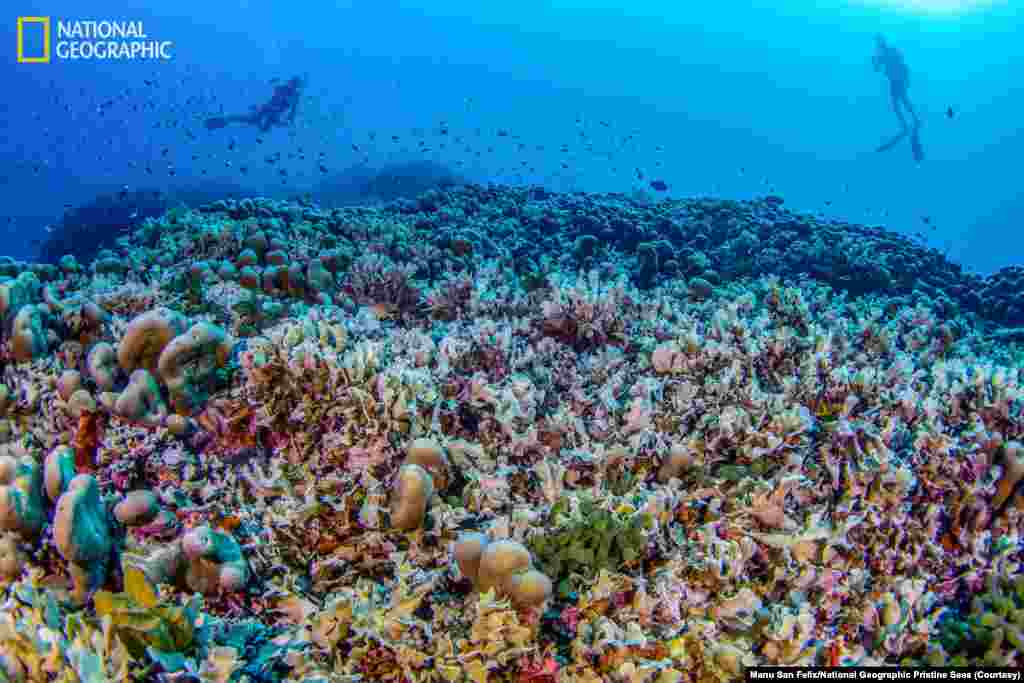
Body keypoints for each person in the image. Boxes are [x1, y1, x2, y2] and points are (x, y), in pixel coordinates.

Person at [872, 34, 923, 162]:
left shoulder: (889, 51)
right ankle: (909, 122)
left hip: (898, 79)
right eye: (878, 43)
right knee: (900, 103)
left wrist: (905, 78)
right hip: (894, 80)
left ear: (882, 42)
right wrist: (874, 61)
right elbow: (877, 69)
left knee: (901, 102)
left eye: (879, 43)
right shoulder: (883, 54)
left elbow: (902, 64)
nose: (878, 45)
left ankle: (912, 121)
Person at [205, 76, 305, 132]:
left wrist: (289, 119)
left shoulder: (294, 96)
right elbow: (274, 99)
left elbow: (293, 111)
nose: (292, 86)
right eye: (292, 83)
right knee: (252, 120)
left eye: (294, 85)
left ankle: (226, 120)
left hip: (273, 113)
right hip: (268, 110)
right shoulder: (282, 89)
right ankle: (225, 119)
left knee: (262, 128)